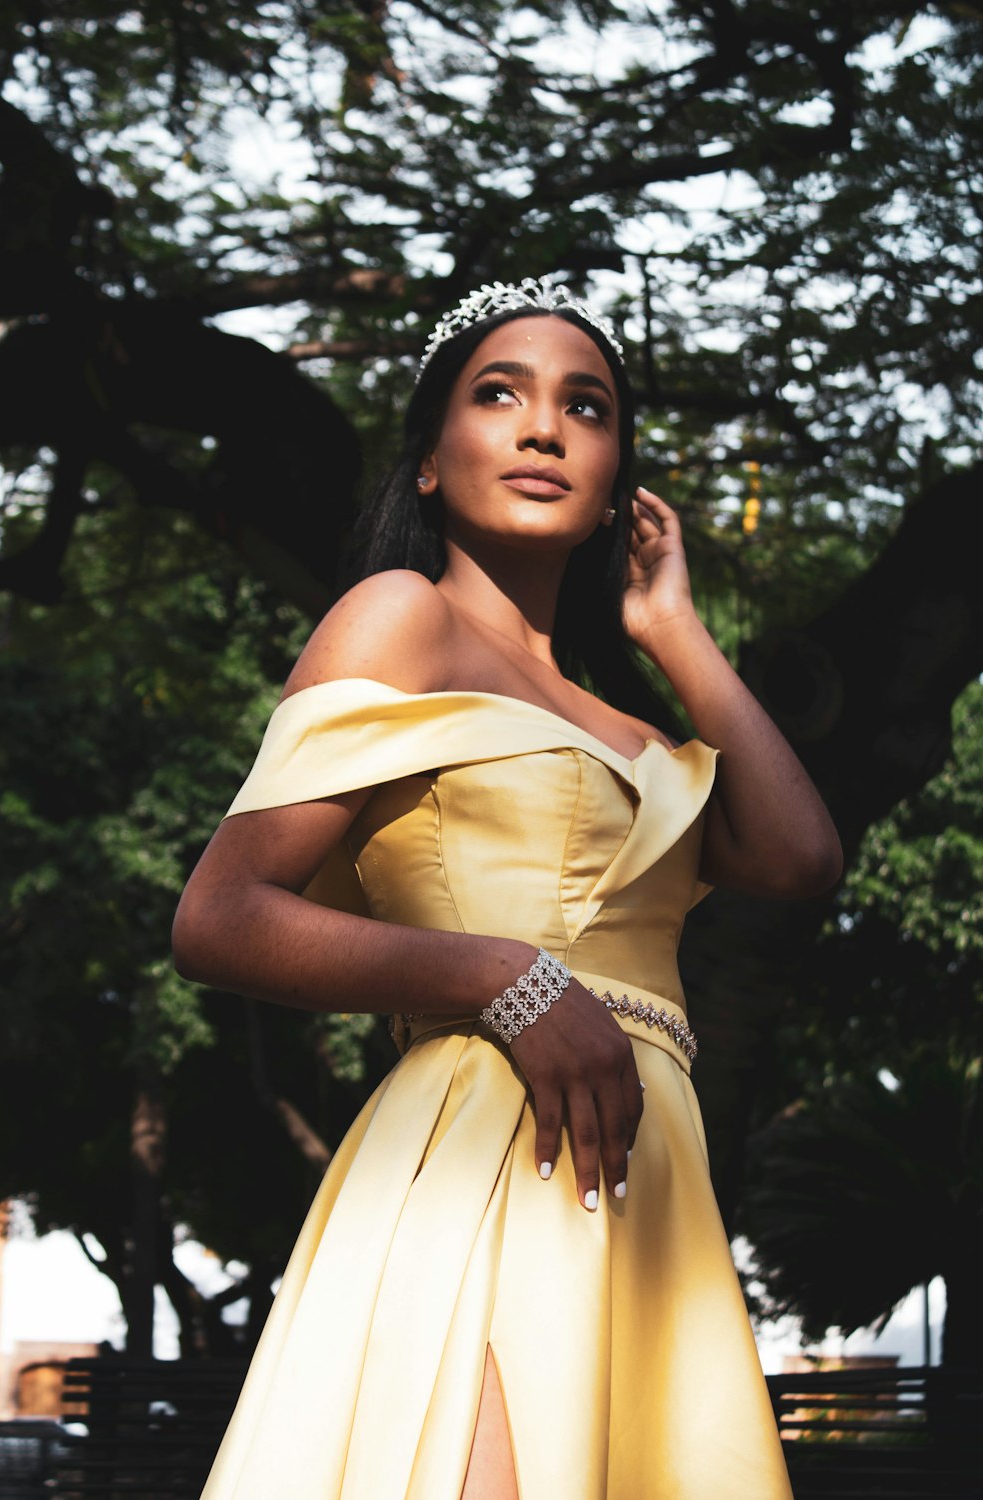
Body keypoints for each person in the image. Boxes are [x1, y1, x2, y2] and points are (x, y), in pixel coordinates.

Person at [173, 276, 842, 1500]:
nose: (544, 428)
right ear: (429, 459)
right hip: (491, 1145)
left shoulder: (626, 722)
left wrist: (676, 631)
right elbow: (220, 916)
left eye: (585, 408)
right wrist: (501, 976)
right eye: (500, 394)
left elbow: (799, 858)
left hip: (648, 1189)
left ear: (614, 486)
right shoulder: (398, 617)